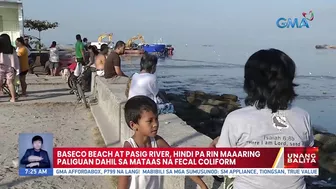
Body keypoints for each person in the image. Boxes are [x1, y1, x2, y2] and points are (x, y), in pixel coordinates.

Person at [209, 48, 314, 189]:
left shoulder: (237, 119)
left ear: (250, 83)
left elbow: (220, 171)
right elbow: (306, 165)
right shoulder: (302, 116)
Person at [118, 96, 208, 189]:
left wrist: (202, 185)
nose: (155, 124)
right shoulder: (129, 149)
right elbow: (122, 184)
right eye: (149, 121)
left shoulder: (157, 142)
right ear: (133, 125)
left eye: (156, 119)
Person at [0, 34, 20, 102]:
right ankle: (13, 98)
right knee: (10, 83)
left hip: (1, 67)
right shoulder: (12, 49)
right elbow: (15, 59)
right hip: (10, 68)